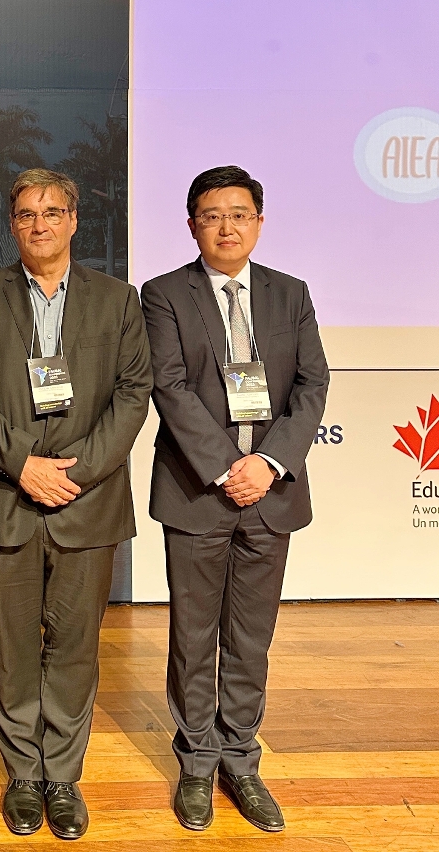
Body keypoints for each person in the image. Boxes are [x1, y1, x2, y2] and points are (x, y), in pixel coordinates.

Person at [0, 168, 152, 840]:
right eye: (26, 215)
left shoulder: (118, 300)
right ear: (13, 225)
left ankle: (61, 777)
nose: (40, 225)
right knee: (10, 648)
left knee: (73, 648)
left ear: (73, 221)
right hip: (5, 498)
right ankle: (22, 775)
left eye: (52, 212)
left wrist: (77, 473)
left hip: (86, 504)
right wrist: (24, 466)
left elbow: (133, 395)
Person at [140, 165, 328, 833]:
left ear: (259, 222)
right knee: (194, 636)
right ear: (192, 225)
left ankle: (241, 762)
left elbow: (312, 385)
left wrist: (268, 464)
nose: (227, 227)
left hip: (270, 492)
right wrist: (227, 468)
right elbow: (169, 387)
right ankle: (196, 762)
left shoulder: (290, 293)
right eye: (212, 216)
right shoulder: (163, 294)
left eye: (239, 214)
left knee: (251, 637)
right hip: (199, 492)